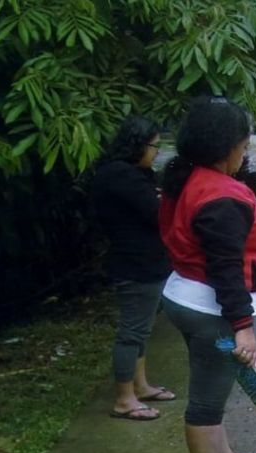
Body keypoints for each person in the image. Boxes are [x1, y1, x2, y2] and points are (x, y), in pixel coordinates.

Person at [159, 97, 256, 453]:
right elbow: (226, 269)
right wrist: (242, 326)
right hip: (210, 308)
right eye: (243, 147)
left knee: (214, 388)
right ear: (224, 147)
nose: (245, 155)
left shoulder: (188, 177)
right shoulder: (220, 197)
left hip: (185, 293)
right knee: (207, 400)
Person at [90, 116, 175, 421]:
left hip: (144, 262)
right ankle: (125, 399)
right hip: (135, 264)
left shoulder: (130, 174)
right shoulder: (121, 177)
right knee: (132, 332)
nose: (156, 152)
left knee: (141, 330)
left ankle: (140, 386)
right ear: (137, 145)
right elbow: (158, 213)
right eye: (154, 145)